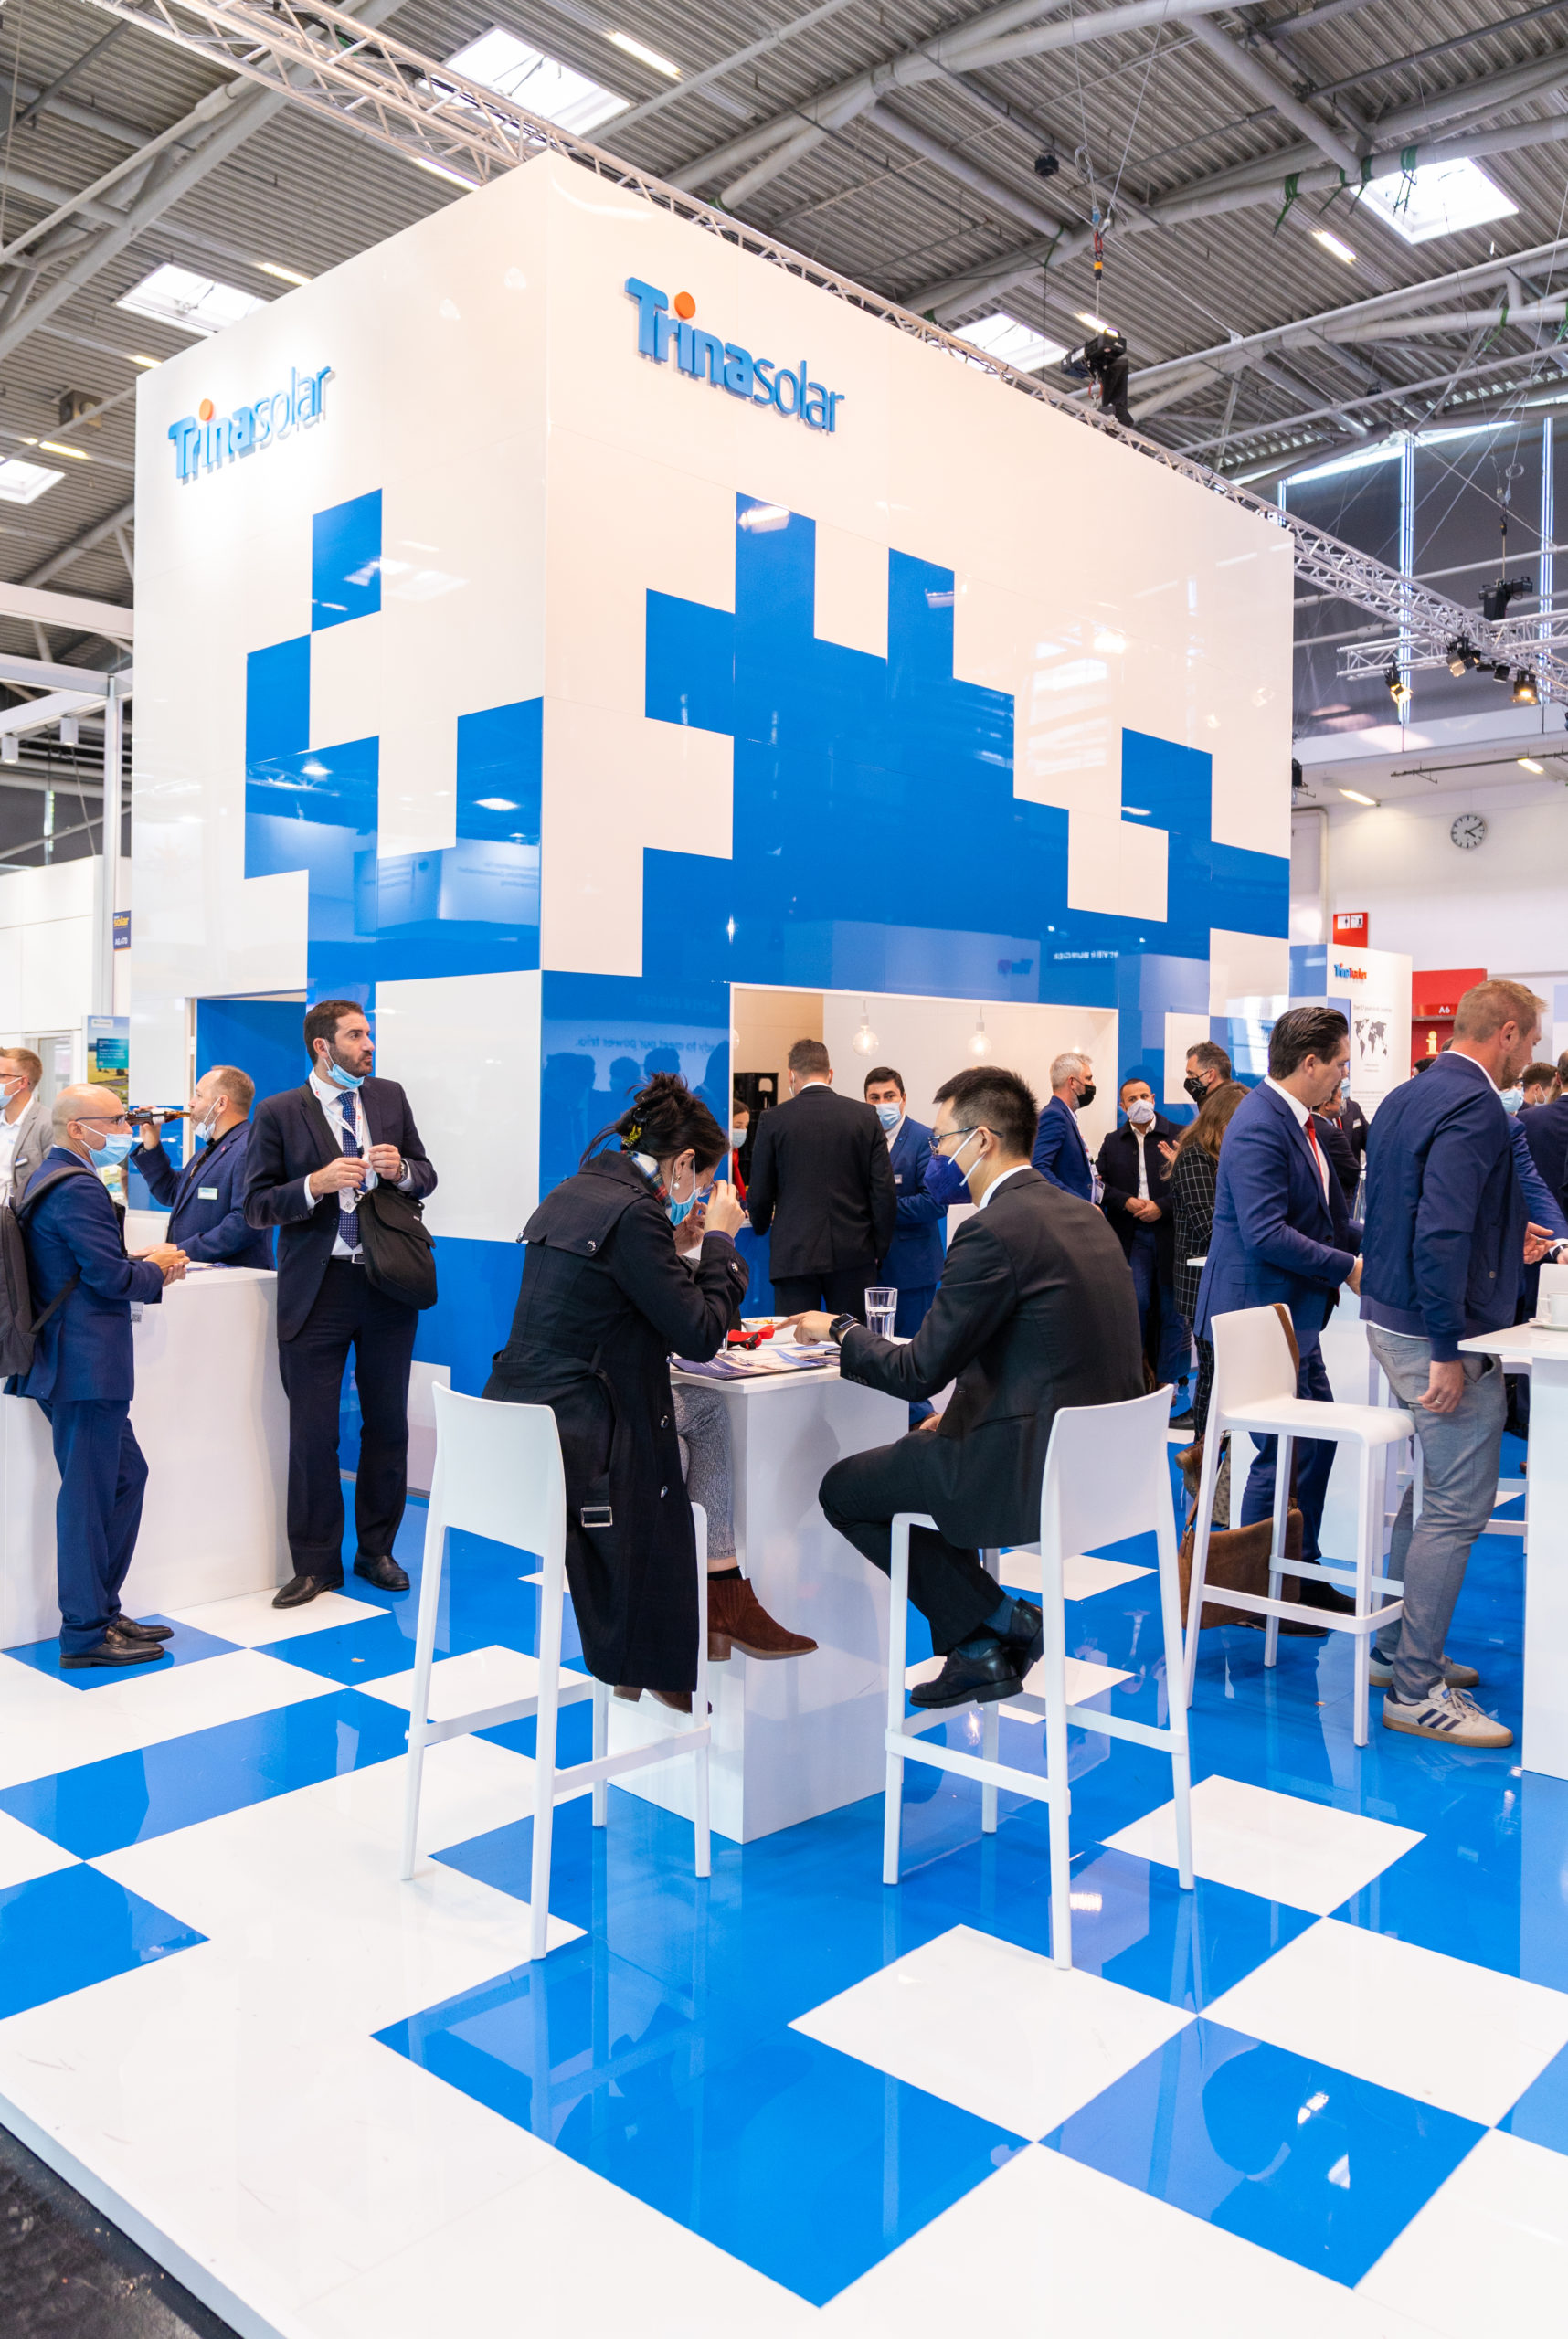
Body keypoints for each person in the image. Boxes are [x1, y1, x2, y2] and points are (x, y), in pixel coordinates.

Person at [797, 1064, 1142, 1709]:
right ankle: (980, 1643)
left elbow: (918, 1370)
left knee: (843, 1490)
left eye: (941, 1142)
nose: (935, 1156)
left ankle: (1000, 1621)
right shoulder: (1085, 1215)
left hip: (1022, 1469)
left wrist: (841, 1331)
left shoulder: (990, 1230)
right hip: (1102, 1468)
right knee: (916, 1453)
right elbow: (1043, 1350)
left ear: (981, 1139)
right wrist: (958, 1413)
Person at [485, 1074, 803, 1706]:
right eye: (703, 1181)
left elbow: (622, 1294)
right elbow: (700, 1335)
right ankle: (696, 1615)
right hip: (578, 1430)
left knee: (688, 1428)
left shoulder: (577, 1190)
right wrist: (720, 1241)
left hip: (516, 1418)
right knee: (685, 1431)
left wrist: (678, 1250)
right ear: (682, 1164)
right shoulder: (635, 1215)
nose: (701, 1195)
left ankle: (695, 1614)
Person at [1361, 980, 1558, 1748]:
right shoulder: (1475, 1104)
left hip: (1396, 1317)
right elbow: (1439, 1231)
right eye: (1531, 1040)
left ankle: (1395, 1651)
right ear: (1506, 1033)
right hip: (1437, 1335)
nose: (1531, 1054)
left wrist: (1506, 1241)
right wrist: (1449, 1347)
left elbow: (1418, 1213)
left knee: (1433, 1491)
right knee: (1454, 1508)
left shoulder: (1408, 1094)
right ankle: (1415, 1690)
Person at [243, 1000, 437, 1608]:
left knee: (388, 1425)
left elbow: (427, 1175)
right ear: (322, 1046)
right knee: (312, 1432)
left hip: (385, 1283)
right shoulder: (279, 1112)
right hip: (316, 1289)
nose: (369, 1044)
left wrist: (402, 1170)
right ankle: (315, 1563)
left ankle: (377, 1550)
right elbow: (256, 1206)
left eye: (369, 1033)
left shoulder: (388, 1097)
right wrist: (314, 1185)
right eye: (356, 1035)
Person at [9, 1086, 186, 1667]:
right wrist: (158, 1271)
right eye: (114, 1121)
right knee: (89, 1496)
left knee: (125, 1476)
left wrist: (139, 1264)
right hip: (84, 1364)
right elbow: (109, 1280)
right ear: (77, 1128)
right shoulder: (77, 1186)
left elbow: (84, 1265)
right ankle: (84, 1633)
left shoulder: (49, 1177)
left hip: (73, 1361)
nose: (125, 1130)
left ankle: (103, 1609)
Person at [1195, 1005, 1361, 1609]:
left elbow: (1330, 1222)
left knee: (1314, 1442)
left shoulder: (1304, 1123)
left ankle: (1296, 1573)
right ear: (1310, 1063)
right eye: (1341, 1063)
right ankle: (1258, 1593)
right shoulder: (1261, 1123)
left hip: (1291, 1318)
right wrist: (1348, 1268)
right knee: (1284, 1449)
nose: (1344, 1075)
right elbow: (1266, 1232)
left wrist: (1388, 1247)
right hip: (1257, 1317)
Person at [746, 1038, 896, 1321]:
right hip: (855, 1253)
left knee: (795, 1340)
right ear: (830, 1074)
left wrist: (761, 1223)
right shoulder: (865, 1116)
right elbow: (884, 1191)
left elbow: (761, 1192)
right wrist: (879, 1247)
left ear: (791, 1075)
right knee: (853, 1339)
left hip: (794, 1254)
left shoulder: (773, 1120)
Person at [1097, 1074, 1189, 1406]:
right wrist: (1126, 1202)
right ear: (1122, 1106)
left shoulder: (1179, 1135)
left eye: (1144, 1096)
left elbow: (1192, 1186)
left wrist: (1161, 1207)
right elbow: (1099, 1185)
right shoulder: (1112, 1142)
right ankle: (1137, 1379)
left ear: (1153, 1098)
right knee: (1136, 1304)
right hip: (1132, 1235)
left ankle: (1168, 1383)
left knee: (1173, 1309)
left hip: (1171, 1235)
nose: (1139, 1103)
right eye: (1131, 1099)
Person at [1164, 1078, 1246, 1438]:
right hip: (1203, 1285)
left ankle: (1218, 1450)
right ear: (1221, 1123)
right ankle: (1205, 1450)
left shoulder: (1227, 1156)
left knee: (1228, 1375)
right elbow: (1208, 1228)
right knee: (1213, 1372)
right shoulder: (1195, 1158)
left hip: (1226, 1281)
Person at [134, 1065, 273, 1269]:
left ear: (221, 1104)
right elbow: (171, 1193)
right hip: (203, 1276)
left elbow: (245, 1221)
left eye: (198, 1096)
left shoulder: (249, 1148)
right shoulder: (207, 1152)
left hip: (234, 1278)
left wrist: (180, 1250)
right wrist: (151, 1144)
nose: (190, 1103)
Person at [863, 1066, 948, 1339]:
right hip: (867, 1271)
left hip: (912, 1270)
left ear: (903, 1098)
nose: (882, 1104)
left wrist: (881, 1210)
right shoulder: (860, 1139)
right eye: (874, 1098)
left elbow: (935, 1202)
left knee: (910, 1347)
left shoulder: (925, 1140)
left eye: (889, 1096)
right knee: (872, 1349)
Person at [1031, 1052, 1099, 1199]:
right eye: (1088, 1078)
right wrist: (1077, 1202)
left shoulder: (1065, 1115)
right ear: (1072, 1082)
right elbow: (1038, 1168)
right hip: (1070, 1209)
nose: (1092, 1084)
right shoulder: (1054, 1116)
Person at [0, 1047, 49, 1210]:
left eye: (1, 1076)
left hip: (20, 1219)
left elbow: (54, 1185)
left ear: (22, 1082)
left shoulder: (48, 1124)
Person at [1181, 1042, 1233, 1109]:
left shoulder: (1226, 1110)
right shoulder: (1221, 1105)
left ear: (1210, 1075)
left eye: (1191, 1074)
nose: (1188, 1078)